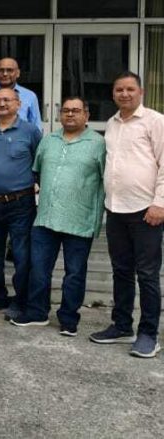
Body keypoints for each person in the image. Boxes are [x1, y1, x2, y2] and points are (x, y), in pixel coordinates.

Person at [9, 96, 105, 336]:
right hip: (46, 218)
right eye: (66, 110)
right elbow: (37, 172)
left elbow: (106, 181)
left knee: (74, 273)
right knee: (39, 269)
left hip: (80, 219)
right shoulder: (48, 140)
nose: (70, 114)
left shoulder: (98, 143)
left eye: (76, 110)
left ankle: (69, 319)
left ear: (86, 115)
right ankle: (37, 312)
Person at [90, 71, 164, 358]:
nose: (124, 94)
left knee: (147, 274)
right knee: (121, 271)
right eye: (119, 89)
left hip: (146, 210)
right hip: (116, 208)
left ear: (141, 92)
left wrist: (160, 203)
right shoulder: (112, 123)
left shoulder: (155, 121)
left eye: (130, 89)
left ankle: (148, 334)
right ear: (113, 94)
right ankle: (122, 326)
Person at [0, 88, 41, 319]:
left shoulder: (30, 131)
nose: (1, 104)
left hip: (21, 203)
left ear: (18, 103)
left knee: (22, 255)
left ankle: (21, 301)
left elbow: (39, 162)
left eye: (7, 100)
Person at [0, 57, 41, 129]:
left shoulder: (30, 96)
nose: (5, 74)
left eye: (9, 70)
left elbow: (36, 127)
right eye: (0, 70)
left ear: (18, 73)